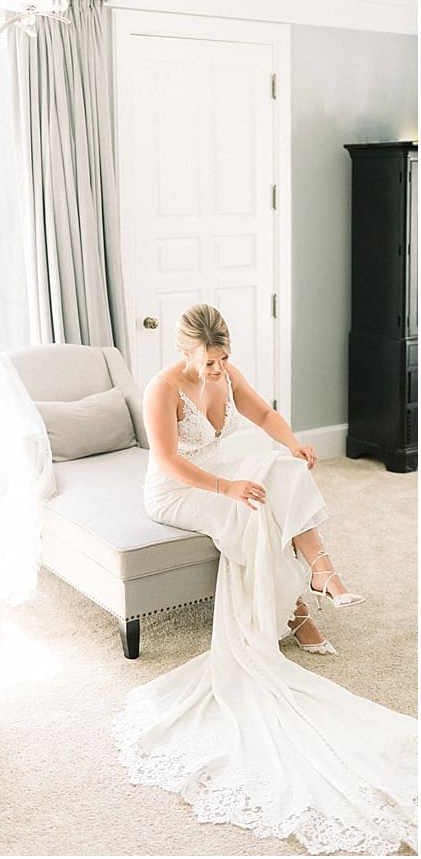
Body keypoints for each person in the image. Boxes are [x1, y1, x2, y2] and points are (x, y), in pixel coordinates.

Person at [114, 303, 416, 854]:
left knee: (281, 468)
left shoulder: (226, 373)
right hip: (178, 490)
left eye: (222, 359)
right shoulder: (163, 389)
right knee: (251, 510)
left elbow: (263, 414)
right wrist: (227, 488)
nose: (217, 370)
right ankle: (299, 604)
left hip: (218, 472)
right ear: (185, 351)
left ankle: (319, 574)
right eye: (208, 362)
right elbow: (167, 461)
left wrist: (294, 441)